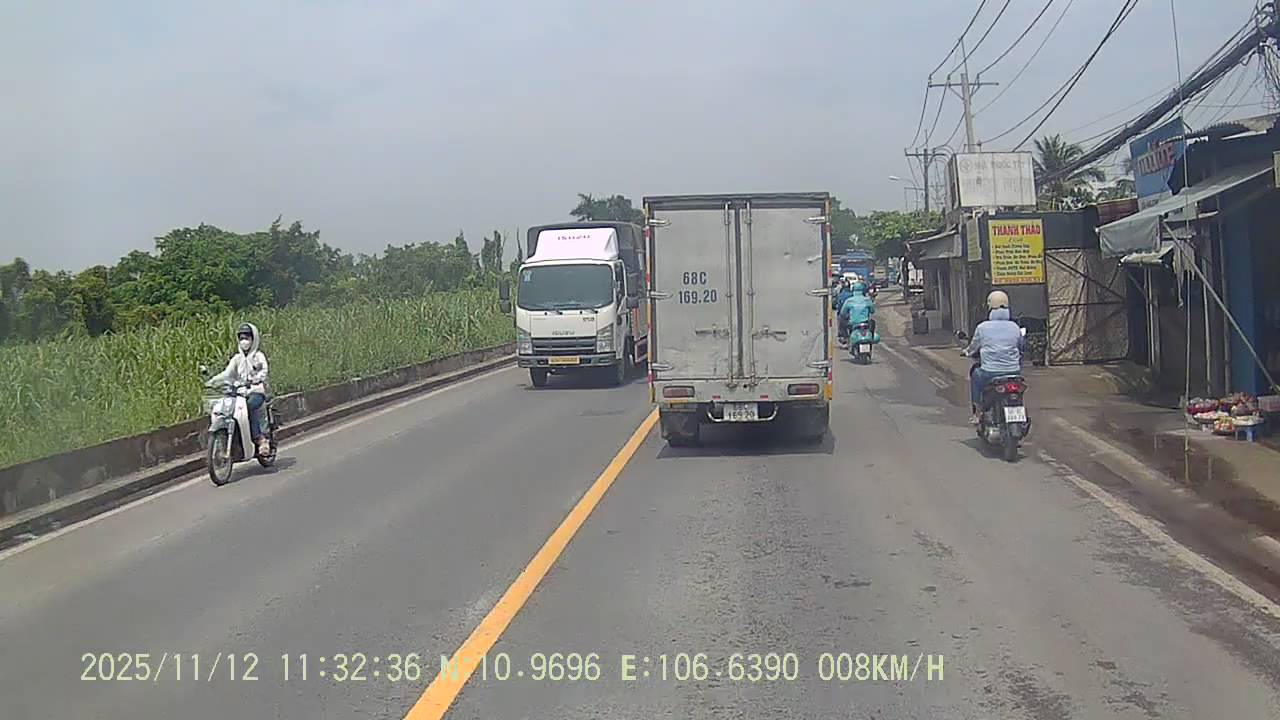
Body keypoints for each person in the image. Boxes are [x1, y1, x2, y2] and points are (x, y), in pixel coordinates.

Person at [962, 291, 1024, 425]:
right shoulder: (1015, 327)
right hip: (1014, 372)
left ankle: (978, 413)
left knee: (975, 376)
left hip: (989, 372)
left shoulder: (982, 327)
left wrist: (967, 352)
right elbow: (1021, 347)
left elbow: (973, 347)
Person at [221, 322, 271, 456]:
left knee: (249, 407)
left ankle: (260, 439)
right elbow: (227, 373)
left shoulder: (258, 356)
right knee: (227, 410)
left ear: (253, 339)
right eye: (242, 338)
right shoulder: (237, 358)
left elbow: (263, 371)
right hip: (239, 394)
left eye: (247, 338)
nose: (244, 341)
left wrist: (256, 379)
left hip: (256, 391)